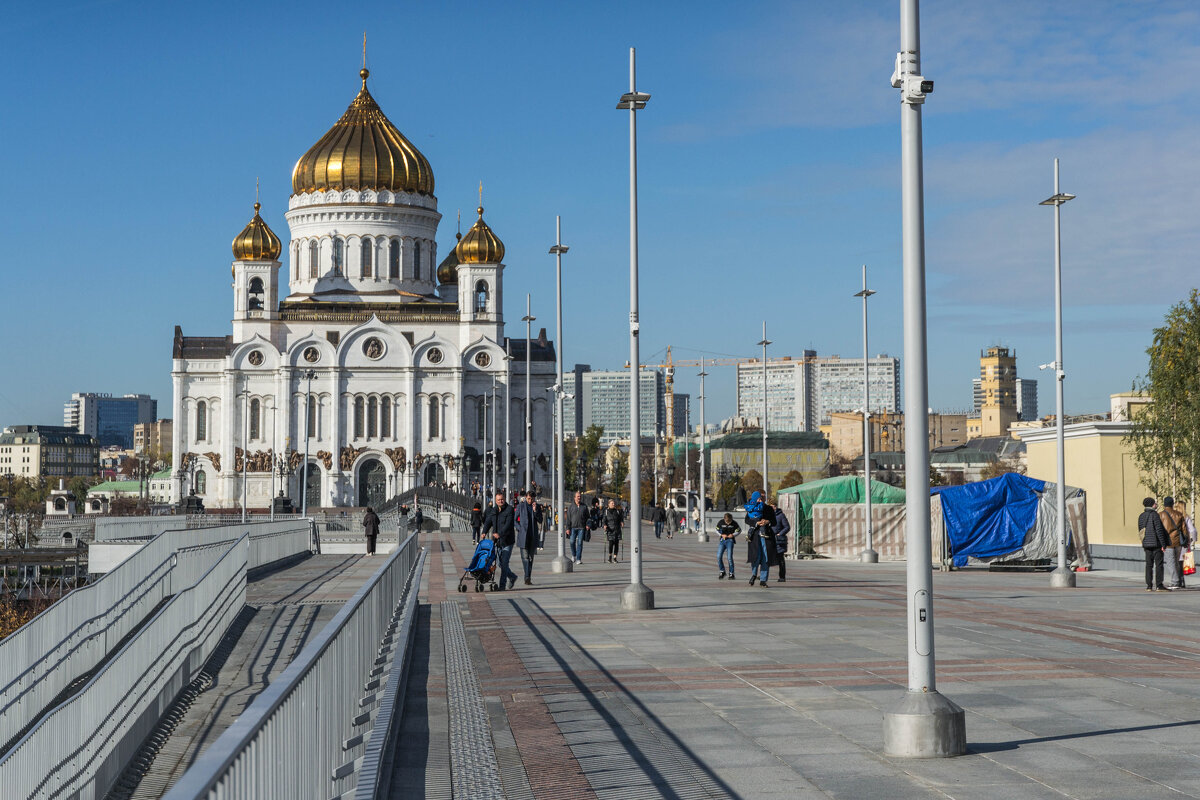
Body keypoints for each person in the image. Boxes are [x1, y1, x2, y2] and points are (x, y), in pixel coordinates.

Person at [480, 491, 516, 590]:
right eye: (499, 500)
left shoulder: (510, 509)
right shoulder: (493, 510)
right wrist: (484, 532)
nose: (501, 501)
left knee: (504, 563)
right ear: (495, 501)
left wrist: (500, 534)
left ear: (505, 499)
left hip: (507, 541)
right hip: (497, 542)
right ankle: (512, 577)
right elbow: (488, 522)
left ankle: (502, 585)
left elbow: (508, 525)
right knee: (500, 564)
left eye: (502, 499)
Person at [744, 491, 778, 587]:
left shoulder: (768, 509)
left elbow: (774, 522)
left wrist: (767, 522)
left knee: (765, 558)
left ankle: (763, 580)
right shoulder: (752, 507)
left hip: (766, 536)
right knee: (756, 556)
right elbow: (747, 520)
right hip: (754, 536)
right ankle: (754, 574)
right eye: (761, 497)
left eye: (763, 497)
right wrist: (756, 523)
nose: (762, 499)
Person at [1139, 496, 1170, 591]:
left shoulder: (1141, 516)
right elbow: (1159, 530)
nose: (1156, 504)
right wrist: (1163, 544)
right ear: (1152, 504)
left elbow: (1140, 531)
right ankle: (1159, 585)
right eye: (1155, 503)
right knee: (1159, 564)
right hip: (1156, 544)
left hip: (1146, 544)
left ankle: (1149, 585)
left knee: (1149, 565)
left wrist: (1144, 542)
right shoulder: (1155, 515)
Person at [1161, 496, 1188, 590]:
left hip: (1167, 542)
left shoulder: (1161, 514)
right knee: (1176, 562)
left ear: (1164, 504)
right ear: (1172, 504)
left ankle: (1175, 582)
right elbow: (1184, 529)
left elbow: (1159, 529)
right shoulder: (1179, 514)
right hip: (1177, 542)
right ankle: (1178, 581)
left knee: (1170, 563)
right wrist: (1185, 541)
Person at [515, 490, 538, 585]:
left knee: (531, 558)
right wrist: (519, 528)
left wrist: (535, 510)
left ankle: (527, 576)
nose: (530, 500)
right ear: (526, 497)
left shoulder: (537, 507)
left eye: (532, 499)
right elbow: (515, 520)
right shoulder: (520, 506)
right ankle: (527, 577)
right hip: (523, 536)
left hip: (532, 536)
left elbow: (540, 519)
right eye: (529, 498)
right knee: (525, 558)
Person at [566, 491, 590, 565]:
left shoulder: (584, 506)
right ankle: (574, 555)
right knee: (572, 542)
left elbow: (588, 517)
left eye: (580, 496)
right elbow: (568, 518)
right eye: (578, 496)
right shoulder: (571, 507)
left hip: (581, 528)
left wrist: (588, 524)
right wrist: (567, 528)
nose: (579, 498)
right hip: (573, 527)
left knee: (580, 543)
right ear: (574, 497)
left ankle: (578, 559)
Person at [716, 512, 740, 579]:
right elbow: (716, 530)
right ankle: (722, 571)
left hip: (730, 541)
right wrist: (721, 535)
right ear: (724, 519)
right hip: (722, 541)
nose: (728, 523)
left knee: (729, 557)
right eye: (727, 522)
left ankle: (731, 573)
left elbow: (739, 530)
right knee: (718, 556)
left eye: (730, 521)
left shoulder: (734, 523)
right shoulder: (721, 522)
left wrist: (733, 535)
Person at [772, 503, 791, 583]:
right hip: (770, 539)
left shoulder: (781, 515)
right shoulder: (768, 515)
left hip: (779, 540)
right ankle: (763, 575)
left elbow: (787, 527)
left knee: (780, 559)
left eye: (772, 506)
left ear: (775, 506)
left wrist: (780, 533)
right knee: (766, 559)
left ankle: (782, 576)